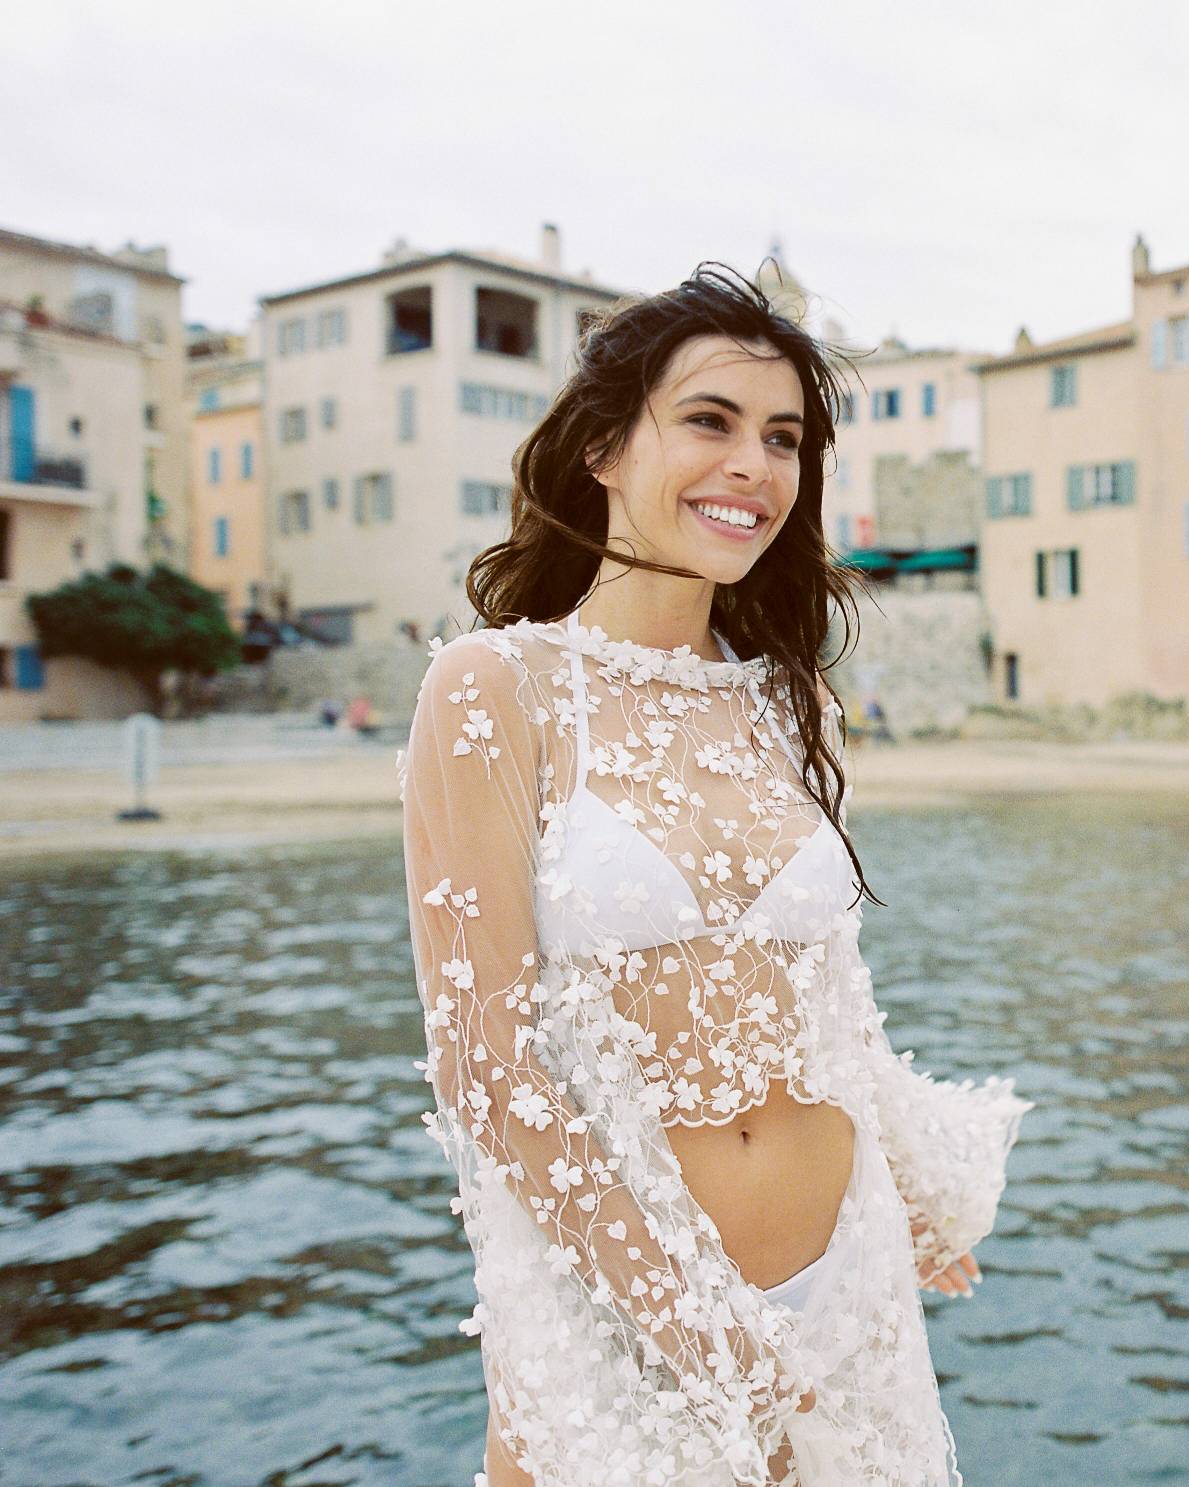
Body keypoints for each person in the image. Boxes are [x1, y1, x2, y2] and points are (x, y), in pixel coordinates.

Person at [397, 263, 1031, 1487]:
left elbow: (828, 1003)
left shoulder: (792, 703)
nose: (754, 465)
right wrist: (696, 1327)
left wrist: (914, 1184)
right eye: (710, 420)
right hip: (620, 1306)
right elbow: (485, 1062)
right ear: (601, 446)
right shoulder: (495, 689)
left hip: (846, 1278)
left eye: (782, 438)